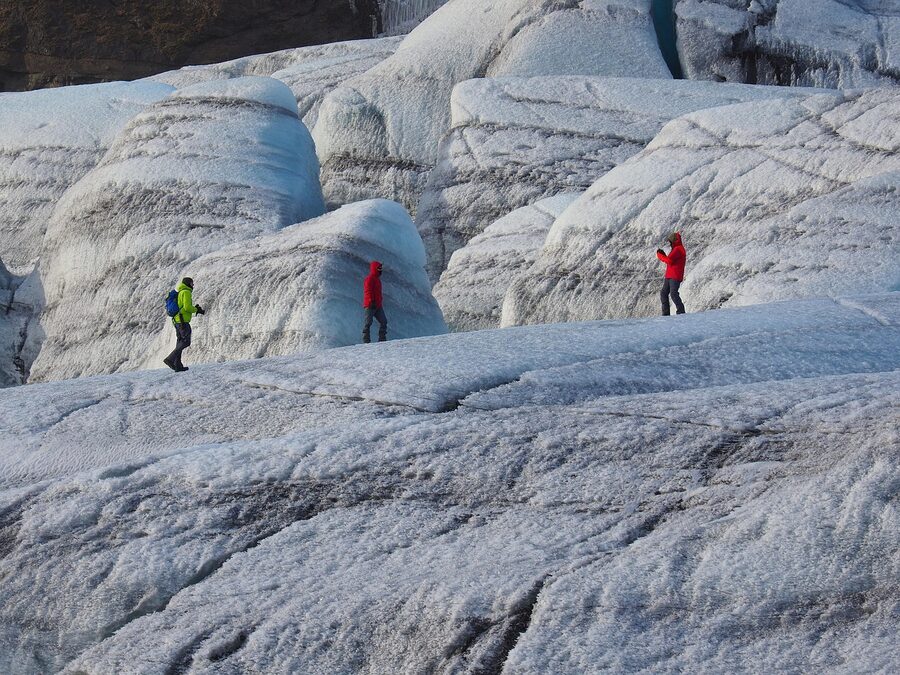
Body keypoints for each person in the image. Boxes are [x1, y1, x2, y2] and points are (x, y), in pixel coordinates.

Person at [164, 277, 205, 372]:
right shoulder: (186, 292)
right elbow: (187, 307)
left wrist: (194, 308)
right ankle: (170, 359)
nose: (193, 285)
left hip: (177, 320)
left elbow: (183, 306)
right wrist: (196, 310)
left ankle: (178, 365)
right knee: (186, 342)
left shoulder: (181, 292)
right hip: (182, 321)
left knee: (180, 342)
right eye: (192, 283)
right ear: (188, 283)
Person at [656, 232, 686, 316]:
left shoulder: (678, 249)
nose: (669, 243)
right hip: (670, 275)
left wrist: (659, 255)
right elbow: (671, 260)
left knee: (673, 293)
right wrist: (664, 255)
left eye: (670, 241)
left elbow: (669, 261)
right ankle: (666, 314)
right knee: (664, 293)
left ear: (674, 241)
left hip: (675, 276)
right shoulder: (676, 249)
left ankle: (681, 312)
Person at [362, 260, 387, 343]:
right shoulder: (369, 279)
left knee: (383, 321)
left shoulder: (377, 280)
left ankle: (382, 339)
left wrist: (378, 302)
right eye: (379, 268)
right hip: (370, 305)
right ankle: (366, 340)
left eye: (381, 268)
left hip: (378, 305)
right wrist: (371, 301)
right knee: (368, 322)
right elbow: (368, 291)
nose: (381, 270)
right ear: (374, 269)